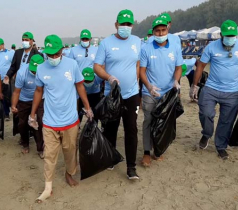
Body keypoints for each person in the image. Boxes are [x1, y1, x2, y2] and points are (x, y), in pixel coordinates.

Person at [29, 35, 92, 203]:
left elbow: (80, 86)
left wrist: (87, 107)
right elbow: (38, 92)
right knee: (49, 154)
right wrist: (32, 114)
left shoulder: (72, 65)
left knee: (70, 151)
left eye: (56, 54)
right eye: (50, 55)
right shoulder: (41, 68)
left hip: (70, 120)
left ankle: (69, 173)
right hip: (50, 121)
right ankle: (48, 187)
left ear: (62, 50)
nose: (54, 58)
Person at [190, 20, 238, 160]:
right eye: (227, 36)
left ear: (236, 35)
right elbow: (201, 66)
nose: (230, 39)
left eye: (233, 35)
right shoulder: (211, 47)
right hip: (211, 88)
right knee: (205, 113)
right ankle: (207, 133)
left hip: (232, 92)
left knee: (226, 121)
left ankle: (221, 146)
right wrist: (194, 85)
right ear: (221, 35)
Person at [94, 9, 141, 180]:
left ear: (132, 26)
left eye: (128, 24)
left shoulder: (137, 41)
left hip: (131, 94)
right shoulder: (106, 43)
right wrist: (108, 77)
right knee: (110, 128)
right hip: (112, 95)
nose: (125, 27)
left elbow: (137, 63)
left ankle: (131, 167)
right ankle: (110, 158)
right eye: (122, 24)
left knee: (131, 129)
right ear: (116, 25)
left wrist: (135, 79)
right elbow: (97, 66)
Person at [139, 17, 183, 167]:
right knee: (148, 120)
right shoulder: (146, 48)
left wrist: (176, 81)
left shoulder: (175, 47)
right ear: (153, 32)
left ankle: (158, 150)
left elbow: (178, 68)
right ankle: (146, 152)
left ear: (167, 30)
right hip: (150, 92)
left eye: (163, 30)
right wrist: (149, 86)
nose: (160, 33)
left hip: (168, 92)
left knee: (164, 121)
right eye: (157, 30)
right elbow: (142, 71)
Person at [11, 54, 45, 157]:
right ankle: (25, 143)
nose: (34, 72)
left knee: (39, 122)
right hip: (24, 99)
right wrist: (13, 105)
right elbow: (16, 92)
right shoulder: (22, 73)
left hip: (40, 99)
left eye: (36, 71)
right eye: (33, 70)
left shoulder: (45, 71)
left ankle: (40, 148)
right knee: (22, 123)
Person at [0, 38, 15, 120]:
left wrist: (13, 75)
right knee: (2, 95)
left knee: (10, 95)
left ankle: (12, 108)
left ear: (3, 44)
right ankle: (6, 113)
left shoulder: (10, 53)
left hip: (8, 78)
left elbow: (14, 65)